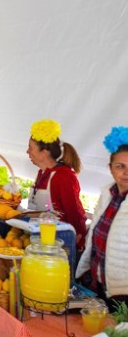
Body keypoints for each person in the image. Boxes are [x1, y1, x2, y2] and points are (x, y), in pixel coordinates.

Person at [77, 127, 128, 309]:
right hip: (97, 286)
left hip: (123, 295)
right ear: (111, 169)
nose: (126, 172)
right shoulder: (107, 194)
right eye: (120, 166)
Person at [26, 119, 88, 250]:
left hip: (61, 240)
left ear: (45, 152)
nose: (27, 152)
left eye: (31, 148)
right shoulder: (42, 174)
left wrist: (78, 236)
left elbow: (73, 211)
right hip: (42, 238)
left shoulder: (63, 176)